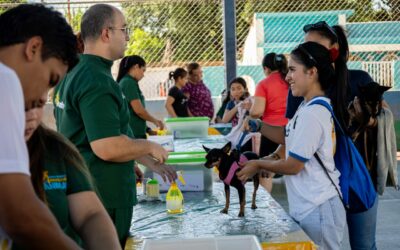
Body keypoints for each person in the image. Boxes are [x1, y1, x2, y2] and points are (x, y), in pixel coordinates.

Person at [53, 4, 177, 247]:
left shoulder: (73, 72)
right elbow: (106, 147)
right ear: (106, 33)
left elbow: (85, 135)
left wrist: (140, 158)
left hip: (84, 188)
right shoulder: (97, 80)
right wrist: (150, 146)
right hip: (103, 197)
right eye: (124, 29)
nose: (127, 36)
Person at [238, 42, 347, 250]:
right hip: (310, 206)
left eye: (292, 70)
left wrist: (258, 164)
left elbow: (294, 165)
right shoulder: (307, 106)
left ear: (312, 72)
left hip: (319, 206)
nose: (287, 77)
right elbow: (287, 136)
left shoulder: (313, 114)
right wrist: (259, 125)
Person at [0, 4, 80, 249]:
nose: (41, 97)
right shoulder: (5, 80)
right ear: (33, 48)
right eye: (51, 80)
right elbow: (21, 216)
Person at [14, 93, 121, 250]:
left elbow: (90, 215)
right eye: (22, 106)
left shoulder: (55, 150)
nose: (32, 115)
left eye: (40, 104)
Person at [250, 53, 289, 158]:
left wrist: (251, 108)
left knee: (268, 169)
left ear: (266, 68)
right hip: (291, 130)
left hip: (270, 132)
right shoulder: (290, 80)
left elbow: (256, 112)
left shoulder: (264, 84)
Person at [117, 55, 164, 139]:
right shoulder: (128, 83)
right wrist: (155, 121)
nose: (143, 75)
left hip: (135, 133)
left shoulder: (129, 82)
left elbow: (132, 112)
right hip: (133, 134)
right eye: (143, 70)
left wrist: (147, 129)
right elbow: (139, 111)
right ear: (136, 66)